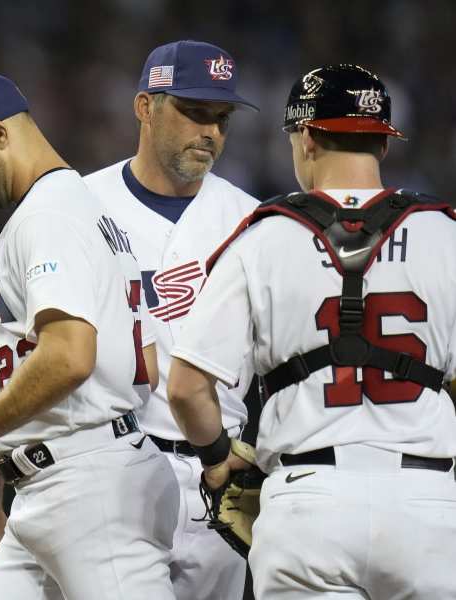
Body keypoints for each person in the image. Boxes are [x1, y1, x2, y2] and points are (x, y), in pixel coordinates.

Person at [166, 63, 456, 599]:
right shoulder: (445, 233)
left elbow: (186, 386)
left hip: (309, 502)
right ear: (383, 145)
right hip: (428, 505)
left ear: (306, 137)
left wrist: (215, 460)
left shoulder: (263, 238)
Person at [0, 72, 179, 600]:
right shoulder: (92, 212)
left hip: (90, 488)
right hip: (62, 479)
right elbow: (142, 360)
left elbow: (69, 358)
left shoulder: (48, 217)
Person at [81, 40, 260, 600]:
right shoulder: (82, 206)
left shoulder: (252, 220)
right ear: (145, 108)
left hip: (219, 478)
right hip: (114, 468)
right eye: (194, 112)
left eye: (220, 118)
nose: (210, 132)